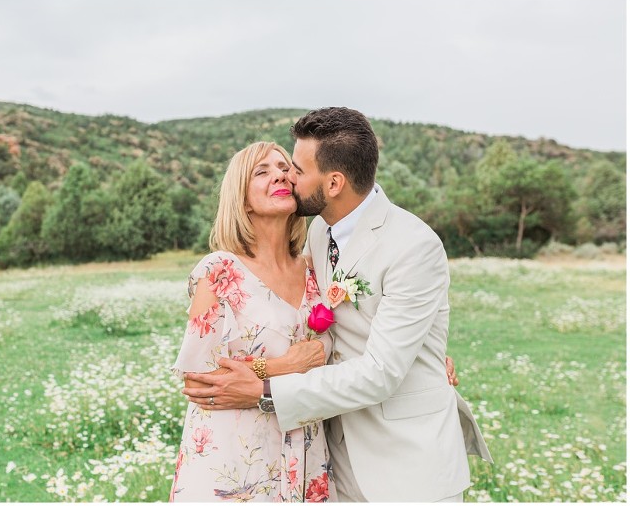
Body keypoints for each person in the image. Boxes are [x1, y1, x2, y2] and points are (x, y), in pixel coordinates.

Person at [183, 107, 493, 502]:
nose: (287, 177)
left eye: (295, 168)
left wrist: (267, 386)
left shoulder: (413, 245)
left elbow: (382, 371)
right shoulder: (318, 235)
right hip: (326, 457)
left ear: (333, 183)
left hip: (405, 464)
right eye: (271, 170)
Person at [169, 141, 338, 502]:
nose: (279, 174)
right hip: (234, 460)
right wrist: (285, 365)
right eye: (262, 171)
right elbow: (197, 381)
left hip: (305, 453)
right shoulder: (219, 271)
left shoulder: (313, 269)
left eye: (284, 168)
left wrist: (429, 362)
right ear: (242, 199)